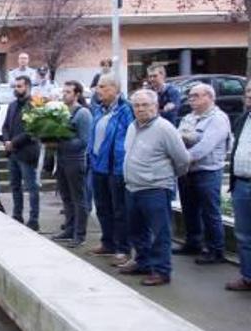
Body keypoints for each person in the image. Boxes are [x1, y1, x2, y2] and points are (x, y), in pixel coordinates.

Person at [122, 89, 191, 286]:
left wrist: (164, 177)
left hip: (155, 188)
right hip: (133, 187)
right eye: (136, 105)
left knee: (160, 232)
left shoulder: (165, 128)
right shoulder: (132, 127)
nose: (141, 109)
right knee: (137, 231)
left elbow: (183, 160)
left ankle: (161, 270)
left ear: (156, 106)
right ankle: (143, 262)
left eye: (146, 105)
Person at [175, 83, 233, 265]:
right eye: (191, 96)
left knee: (210, 213)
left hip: (207, 172)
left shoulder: (218, 119)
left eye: (196, 96)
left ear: (210, 97)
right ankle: (193, 243)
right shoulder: (188, 118)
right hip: (187, 171)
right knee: (189, 210)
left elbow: (204, 147)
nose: (191, 99)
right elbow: (177, 138)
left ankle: (216, 250)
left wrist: (182, 156)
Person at [87, 74, 134, 266]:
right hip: (99, 166)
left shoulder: (125, 110)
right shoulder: (99, 110)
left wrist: (121, 162)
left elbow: (127, 138)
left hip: (116, 167)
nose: (98, 90)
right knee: (103, 206)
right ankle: (107, 242)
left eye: (103, 87)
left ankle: (123, 248)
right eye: (98, 87)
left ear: (115, 89)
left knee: (119, 209)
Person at [52, 81, 93, 248]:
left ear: (77, 94)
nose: (64, 95)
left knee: (79, 198)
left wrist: (60, 142)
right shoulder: (63, 111)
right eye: (64, 91)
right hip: (62, 159)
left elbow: (84, 141)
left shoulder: (83, 113)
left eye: (68, 92)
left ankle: (80, 233)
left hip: (76, 160)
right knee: (66, 197)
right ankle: (69, 228)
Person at [1, 76, 41, 230]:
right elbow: (5, 126)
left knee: (32, 187)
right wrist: (6, 141)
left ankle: (33, 219)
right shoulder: (12, 106)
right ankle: (17, 215)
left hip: (27, 152)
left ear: (28, 87)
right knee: (15, 186)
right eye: (15, 86)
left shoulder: (34, 105)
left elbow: (32, 131)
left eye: (19, 86)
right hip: (12, 154)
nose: (16, 89)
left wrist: (13, 142)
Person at [226, 80, 251, 291]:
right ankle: (248, 276)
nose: (249, 94)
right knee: (243, 235)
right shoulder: (243, 119)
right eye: (248, 90)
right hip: (242, 184)